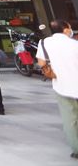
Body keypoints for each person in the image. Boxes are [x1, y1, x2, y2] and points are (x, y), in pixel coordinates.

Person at [36, 20, 78, 160]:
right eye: (70, 28)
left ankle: (76, 149)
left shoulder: (44, 43)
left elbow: (41, 63)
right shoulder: (75, 44)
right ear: (65, 30)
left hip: (62, 86)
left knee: (70, 119)